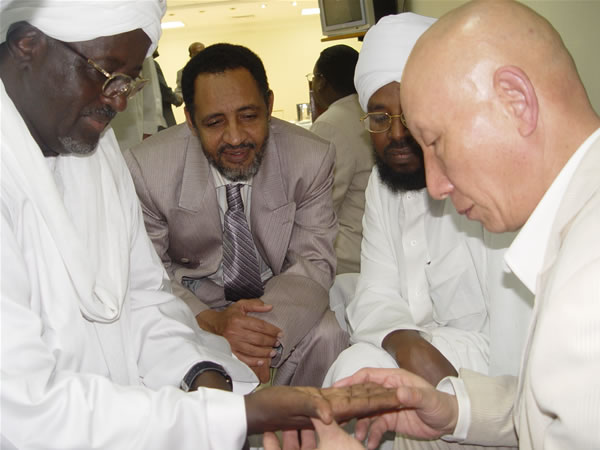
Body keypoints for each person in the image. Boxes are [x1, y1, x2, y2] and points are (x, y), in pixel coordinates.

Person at [0, 2, 403, 449]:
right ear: (27, 45)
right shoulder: (136, 163)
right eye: (105, 74)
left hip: (134, 407)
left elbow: (143, 297)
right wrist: (232, 412)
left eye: (128, 81)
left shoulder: (97, 150)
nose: (118, 101)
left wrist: (206, 377)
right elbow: (23, 409)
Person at [337, 0, 600, 449]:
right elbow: (538, 411)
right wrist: (458, 410)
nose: (436, 185)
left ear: (516, 102)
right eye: (382, 119)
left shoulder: (585, 283)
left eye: (437, 141)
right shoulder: (571, 218)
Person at [325, 12, 532, 391]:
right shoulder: (382, 184)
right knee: (352, 369)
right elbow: (376, 291)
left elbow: (513, 333)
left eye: (410, 114)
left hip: (494, 360)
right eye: (380, 117)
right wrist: (406, 342)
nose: (396, 133)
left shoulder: (488, 181)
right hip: (410, 343)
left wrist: (462, 397)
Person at [124, 43, 348, 387]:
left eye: (249, 116)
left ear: (269, 106)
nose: (235, 137)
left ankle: (303, 420)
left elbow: (313, 263)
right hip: (194, 307)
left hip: (277, 301)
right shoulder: (147, 169)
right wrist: (211, 322)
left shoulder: (310, 158)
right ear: (191, 122)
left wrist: (256, 336)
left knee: (330, 332)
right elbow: (149, 275)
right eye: (214, 122)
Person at [309, 45, 374, 275]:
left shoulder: (329, 124)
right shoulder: (371, 110)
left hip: (347, 255)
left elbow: (320, 204)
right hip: (373, 242)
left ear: (321, 81)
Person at [154, 48, 182, 128]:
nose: (157, 47)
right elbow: (163, 89)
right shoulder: (151, 65)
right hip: (161, 114)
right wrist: (177, 99)